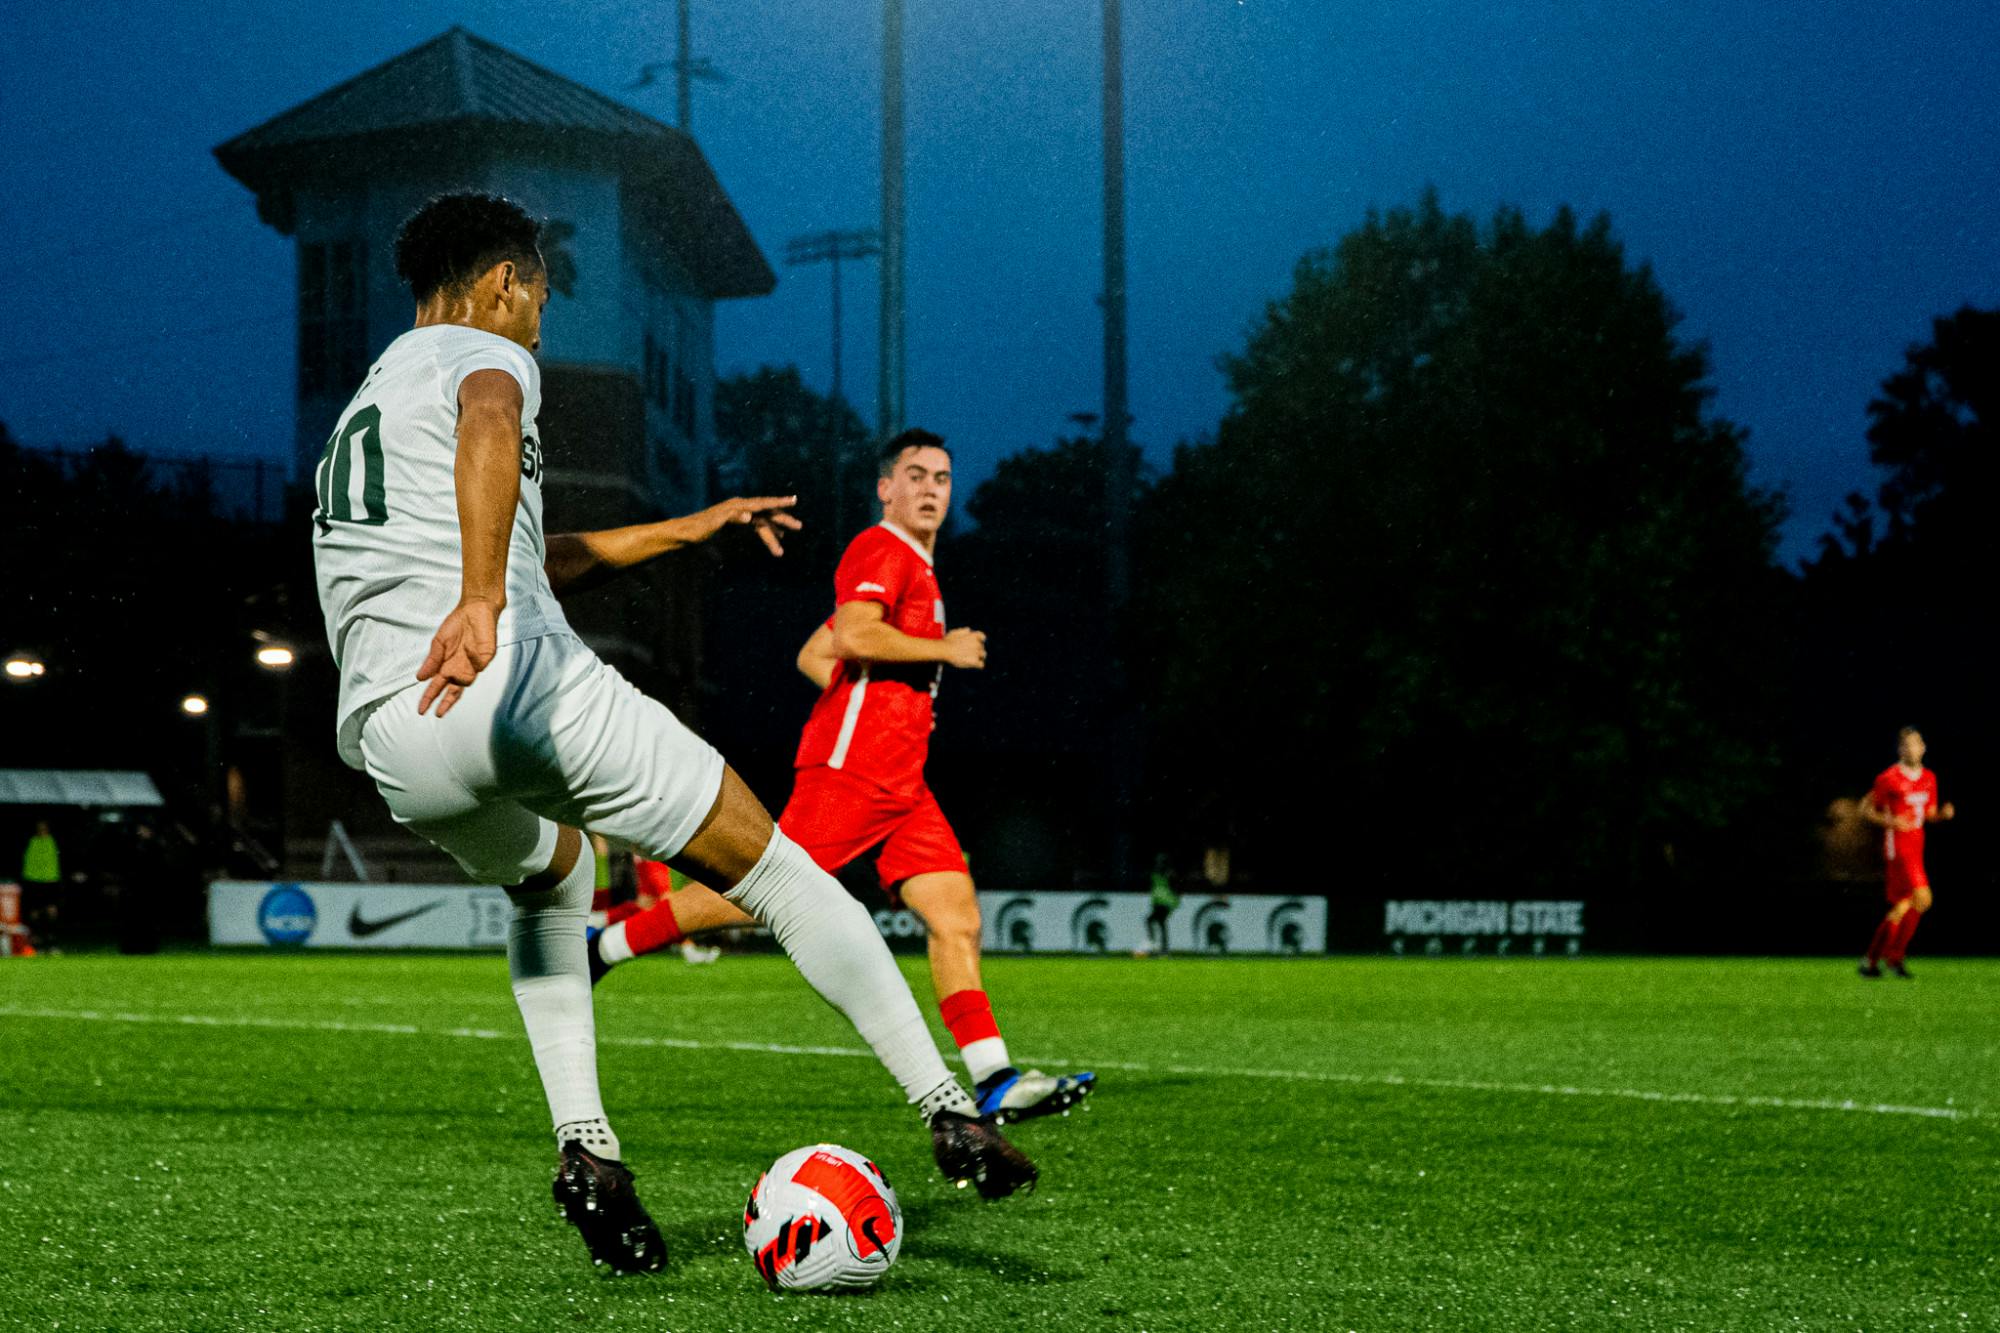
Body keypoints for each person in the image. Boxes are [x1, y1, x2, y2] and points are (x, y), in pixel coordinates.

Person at [311, 194, 1035, 1273]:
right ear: (505, 280)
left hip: (395, 740)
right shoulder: (485, 357)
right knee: (785, 878)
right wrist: (475, 599)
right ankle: (950, 1110)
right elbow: (492, 432)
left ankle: (588, 1150)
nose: (542, 322)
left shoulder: (368, 403)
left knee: (554, 882)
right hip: (511, 680)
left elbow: (528, 544)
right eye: (543, 298)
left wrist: (685, 529)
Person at [591, 430, 1095, 1124]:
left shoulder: (916, 564)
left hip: (902, 783)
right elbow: (855, 633)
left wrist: (874, 698)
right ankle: (606, 944)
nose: (930, 489)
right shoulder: (880, 549)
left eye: (942, 478)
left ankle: (994, 1077)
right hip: (852, 772)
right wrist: (936, 653)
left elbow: (815, 653)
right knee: (752, 895)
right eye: (915, 476)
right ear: (885, 488)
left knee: (957, 917)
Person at [1857, 727, 1955, 979]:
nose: (1913, 749)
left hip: (1917, 845)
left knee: (1906, 906)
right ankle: (1889, 958)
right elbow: (1867, 810)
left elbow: (1929, 814)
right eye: (1908, 745)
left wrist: (1942, 815)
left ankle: (1875, 961)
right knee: (1922, 898)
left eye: (1917, 744)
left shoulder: (1929, 778)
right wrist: (1892, 822)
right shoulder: (1888, 778)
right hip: (1897, 846)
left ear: (1923, 747)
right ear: (1900, 749)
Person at [20, 819, 60, 953]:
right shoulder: (31, 841)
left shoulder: (53, 841)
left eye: (44, 828)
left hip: (50, 881)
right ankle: (36, 941)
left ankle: (51, 940)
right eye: (39, 828)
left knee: (51, 911)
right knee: (34, 913)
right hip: (33, 881)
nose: (42, 831)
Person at [1143, 854, 1179, 956]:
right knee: (1160, 923)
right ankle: (1162, 948)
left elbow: (1173, 888)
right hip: (1160, 903)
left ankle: (1155, 945)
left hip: (1164, 903)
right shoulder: (1161, 874)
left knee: (1155, 922)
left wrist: (1174, 900)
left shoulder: (1163, 875)